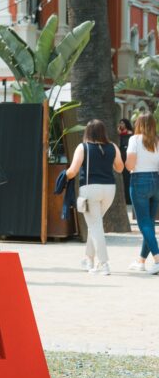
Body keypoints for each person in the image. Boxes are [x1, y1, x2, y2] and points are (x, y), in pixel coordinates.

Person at [66, 120, 124, 275]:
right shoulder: (113, 147)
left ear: (88, 132)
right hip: (109, 190)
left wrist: (63, 175)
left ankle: (104, 264)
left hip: (90, 189)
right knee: (95, 224)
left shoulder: (83, 147)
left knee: (95, 226)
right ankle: (88, 259)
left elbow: (72, 171)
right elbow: (120, 168)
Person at [127, 113, 159, 274]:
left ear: (138, 124)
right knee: (149, 223)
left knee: (144, 223)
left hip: (139, 180)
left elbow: (130, 165)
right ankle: (141, 261)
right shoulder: (157, 141)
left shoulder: (134, 140)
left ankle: (158, 259)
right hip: (156, 181)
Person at [118, 117, 133, 204]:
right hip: (121, 160)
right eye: (120, 123)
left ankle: (128, 199)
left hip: (127, 159)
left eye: (122, 123)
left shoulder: (130, 134)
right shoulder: (119, 134)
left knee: (127, 179)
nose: (121, 125)